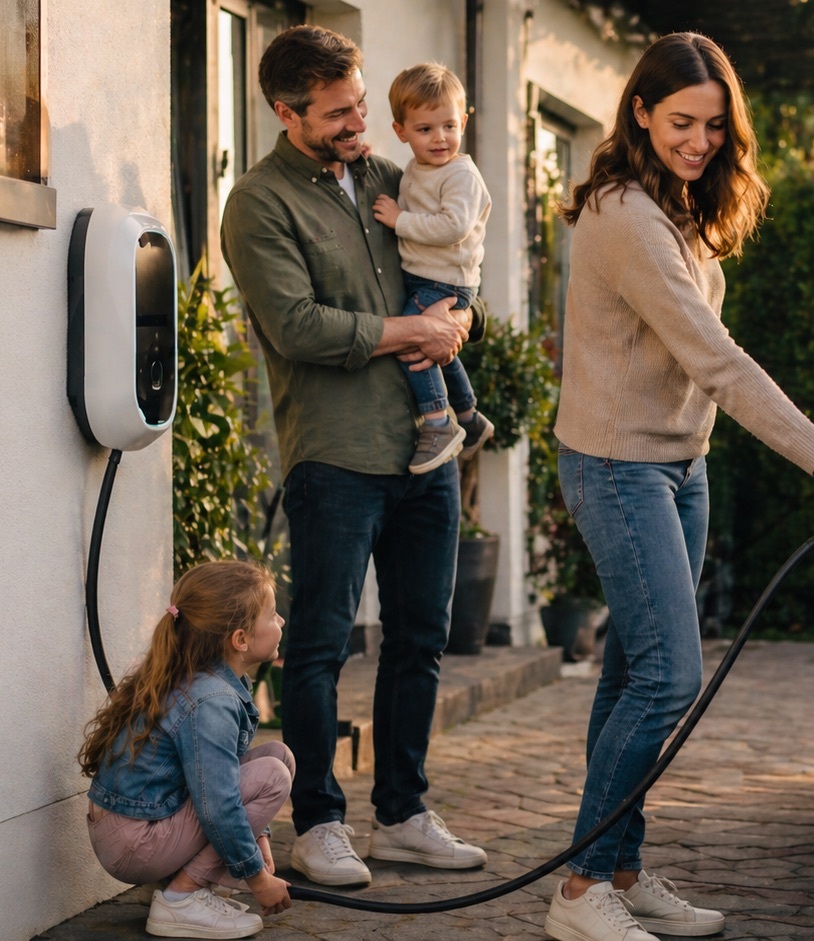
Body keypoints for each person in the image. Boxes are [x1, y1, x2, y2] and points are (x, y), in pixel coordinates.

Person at [546, 33, 814, 941]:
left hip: (675, 467)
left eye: (713, 125)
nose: (700, 141)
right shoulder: (628, 215)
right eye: (680, 122)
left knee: (632, 671)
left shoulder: (675, 206)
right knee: (669, 675)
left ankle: (618, 866)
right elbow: (718, 361)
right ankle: (581, 892)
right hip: (620, 466)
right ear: (638, 112)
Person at [219, 24, 488, 890]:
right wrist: (413, 330)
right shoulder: (258, 204)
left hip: (425, 451)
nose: (357, 122)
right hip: (333, 454)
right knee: (322, 644)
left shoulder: (387, 174)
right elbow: (296, 327)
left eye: (361, 104)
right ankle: (319, 823)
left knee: (420, 639)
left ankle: (404, 813)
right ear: (284, 111)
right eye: (337, 112)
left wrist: (457, 321)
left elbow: (447, 274)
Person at [78, 561, 293, 940]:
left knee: (280, 756)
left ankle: (175, 885)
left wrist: (260, 838)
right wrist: (257, 877)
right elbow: (219, 804)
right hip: (135, 843)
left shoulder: (198, 675)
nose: (281, 622)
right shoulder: (212, 701)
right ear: (240, 640)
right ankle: (181, 898)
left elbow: (222, 775)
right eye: (273, 615)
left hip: (133, 828)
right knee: (273, 776)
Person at [371, 61, 496, 474]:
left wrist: (398, 221)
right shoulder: (418, 168)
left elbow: (453, 227)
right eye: (425, 130)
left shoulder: (461, 174)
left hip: (447, 282)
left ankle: (438, 422)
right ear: (401, 132)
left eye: (448, 126)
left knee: (413, 342)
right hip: (427, 276)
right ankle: (470, 418)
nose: (440, 138)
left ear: (463, 121)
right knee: (441, 351)